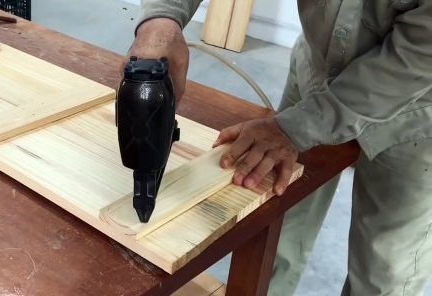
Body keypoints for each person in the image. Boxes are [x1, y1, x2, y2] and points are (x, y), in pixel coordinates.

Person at [127, 1, 432, 295]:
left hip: (415, 111)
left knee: (386, 270)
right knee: (280, 230)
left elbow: (423, 53)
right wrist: (162, 18)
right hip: (316, 71)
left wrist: (297, 127)